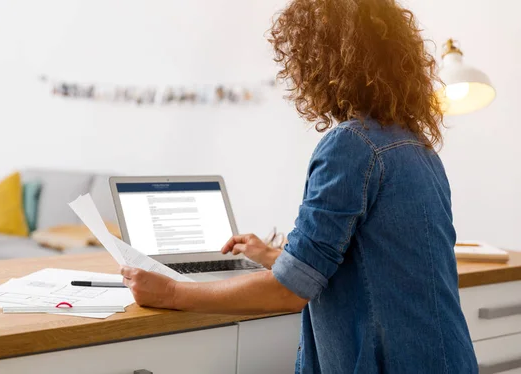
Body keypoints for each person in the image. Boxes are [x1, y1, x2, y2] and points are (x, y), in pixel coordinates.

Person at [119, 0, 478, 372]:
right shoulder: (417, 147)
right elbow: (374, 262)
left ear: (322, 59)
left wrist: (171, 291)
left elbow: (289, 292)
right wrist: (278, 258)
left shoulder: (352, 146)